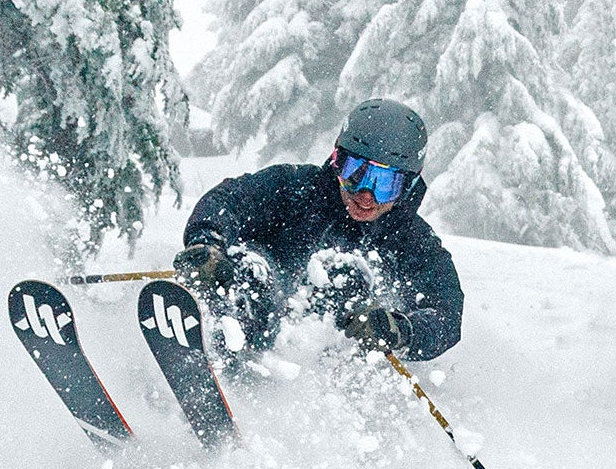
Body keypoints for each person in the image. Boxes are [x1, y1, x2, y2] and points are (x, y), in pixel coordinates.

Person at [173, 98, 464, 361]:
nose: (366, 196)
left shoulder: (412, 241)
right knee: (250, 269)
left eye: (385, 185)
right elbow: (230, 200)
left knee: (347, 275)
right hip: (258, 324)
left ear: (407, 187)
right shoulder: (296, 190)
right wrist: (206, 242)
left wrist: (399, 330)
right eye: (356, 174)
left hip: (333, 369)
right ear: (337, 162)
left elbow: (446, 314)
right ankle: (210, 346)